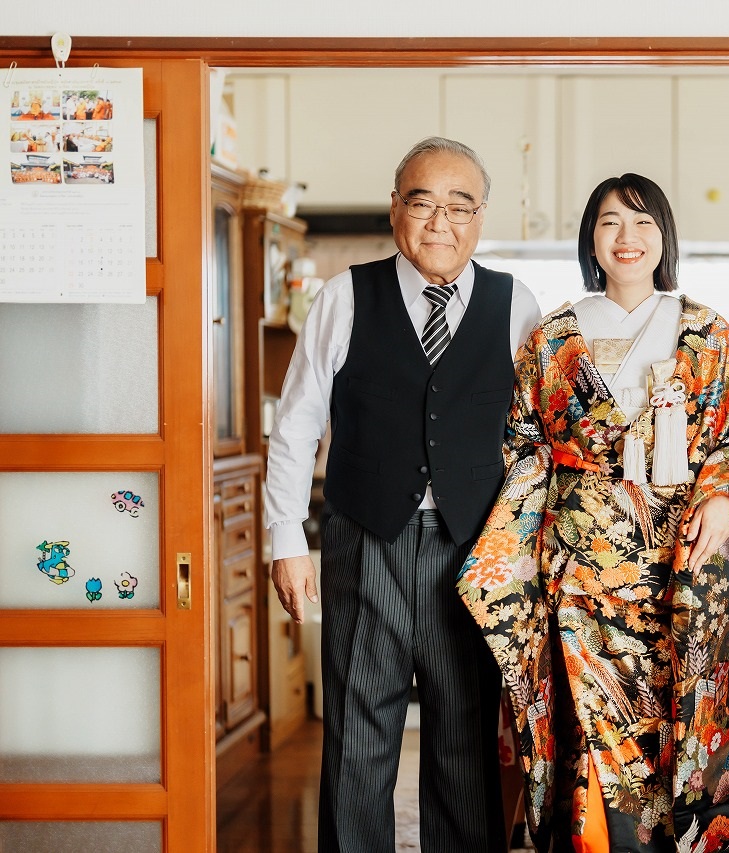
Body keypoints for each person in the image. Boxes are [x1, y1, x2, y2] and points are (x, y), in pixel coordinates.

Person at [458, 174, 729, 852]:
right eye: (609, 223)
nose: (626, 238)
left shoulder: (709, 332)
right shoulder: (554, 338)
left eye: (642, 222)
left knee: (677, 726)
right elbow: (524, 444)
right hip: (582, 578)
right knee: (587, 730)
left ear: (665, 237)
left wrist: (719, 493)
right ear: (590, 240)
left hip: (679, 567)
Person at [265, 136, 541, 853]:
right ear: (396, 208)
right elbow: (295, 422)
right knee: (358, 740)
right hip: (366, 542)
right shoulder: (343, 295)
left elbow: (538, 440)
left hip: (473, 550)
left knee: (465, 743)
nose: (440, 221)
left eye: (460, 206)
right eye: (424, 202)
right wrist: (285, 539)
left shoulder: (519, 307)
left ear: (481, 216)